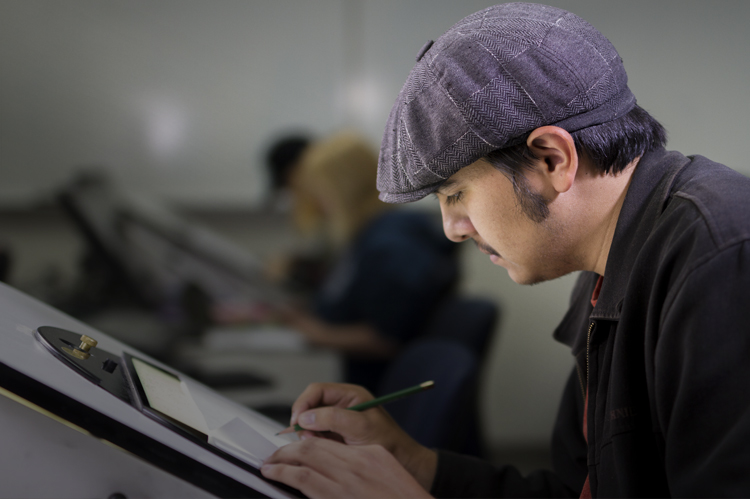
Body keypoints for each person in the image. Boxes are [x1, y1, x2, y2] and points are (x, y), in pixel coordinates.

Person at [259, 3, 750, 498]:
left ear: (552, 160)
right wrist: (413, 463)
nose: (452, 229)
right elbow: (577, 491)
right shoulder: (607, 267)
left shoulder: (722, 258)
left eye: (455, 194)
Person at [274, 131, 460, 393]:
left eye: (323, 194)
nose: (319, 205)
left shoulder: (389, 246)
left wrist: (316, 333)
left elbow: (385, 339)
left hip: (381, 388)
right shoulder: (371, 234)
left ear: (343, 190)